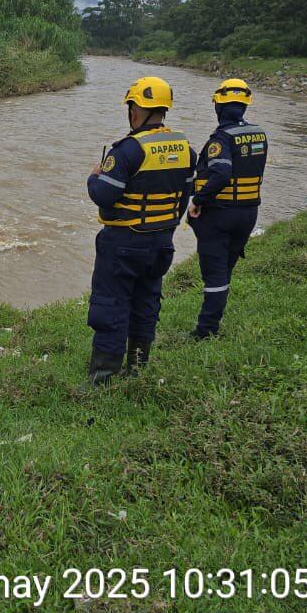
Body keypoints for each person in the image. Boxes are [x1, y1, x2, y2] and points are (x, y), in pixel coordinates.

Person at [86, 76, 196, 383]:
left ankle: (102, 377)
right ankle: (137, 369)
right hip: (161, 243)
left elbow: (103, 195)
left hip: (123, 243)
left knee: (110, 306)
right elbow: (183, 197)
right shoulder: (187, 149)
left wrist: (93, 177)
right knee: (146, 302)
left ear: (135, 109)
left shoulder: (127, 151)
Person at [186, 78, 268, 339]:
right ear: (245, 105)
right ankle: (213, 317)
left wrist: (197, 201)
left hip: (220, 214)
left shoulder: (221, 138)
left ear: (219, 106)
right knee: (225, 269)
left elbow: (221, 173)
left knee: (214, 274)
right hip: (248, 212)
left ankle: (206, 331)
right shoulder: (259, 134)